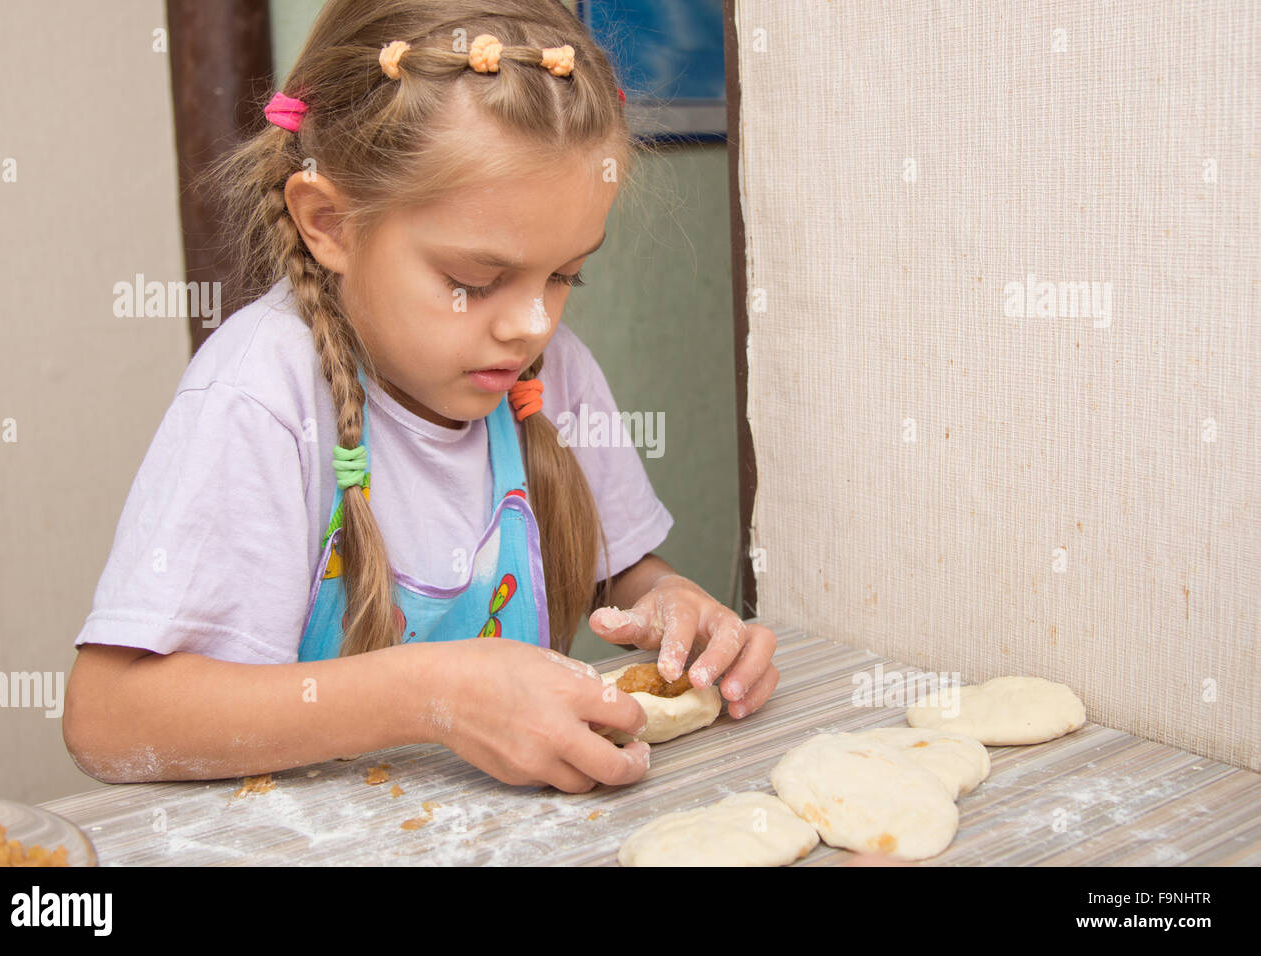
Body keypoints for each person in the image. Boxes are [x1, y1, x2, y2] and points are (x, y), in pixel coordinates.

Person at [64, 0, 778, 794]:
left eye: (566, 275)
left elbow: (626, 574)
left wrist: (674, 604)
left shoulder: (550, 369)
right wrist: (431, 697)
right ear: (329, 222)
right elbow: (109, 719)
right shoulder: (259, 395)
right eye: (474, 282)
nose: (533, 322)